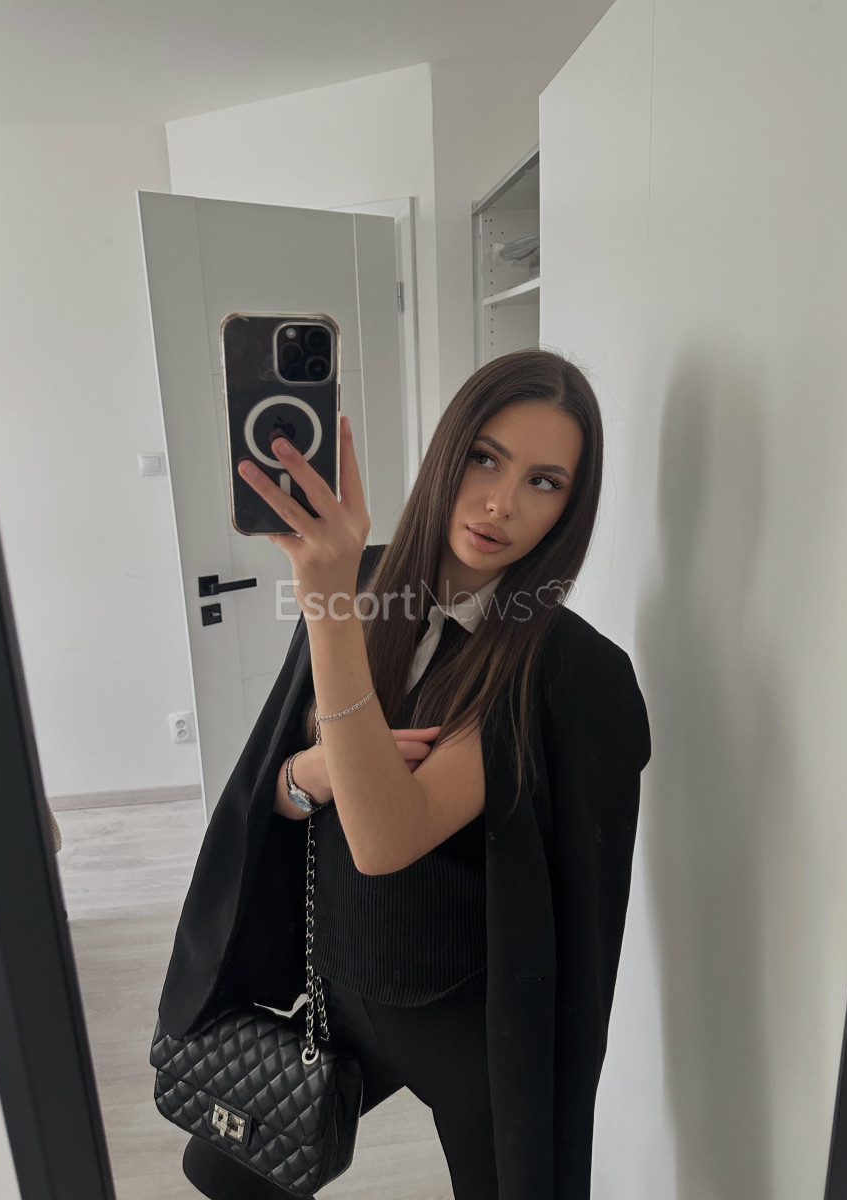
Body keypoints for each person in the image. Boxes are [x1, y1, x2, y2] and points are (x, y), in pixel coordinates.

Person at [168, 347, 652, 1199]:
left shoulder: (557, 666)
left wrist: (325, 604)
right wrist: (313, 774)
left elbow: (385, 838)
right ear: (447, 451)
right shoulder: (364, 581)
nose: (501, 502)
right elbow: (275, 789)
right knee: (222, 1170)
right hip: (340, 991)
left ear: (570, 509)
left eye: (544, 482)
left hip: (465, 1029)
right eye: (486, 458)